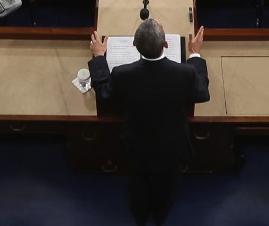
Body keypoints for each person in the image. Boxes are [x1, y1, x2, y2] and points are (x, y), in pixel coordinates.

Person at [86, 20, 209, 226]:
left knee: (139, 182)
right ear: (166, 45)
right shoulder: (185, 73)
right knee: (167, 186)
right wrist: (195, 54)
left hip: (138, 145)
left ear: (134, 45)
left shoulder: (122, 74)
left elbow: (105, 94)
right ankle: (160, 216)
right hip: (172, 146)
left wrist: (99, 57)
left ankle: (140, 216)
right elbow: (202, 93)